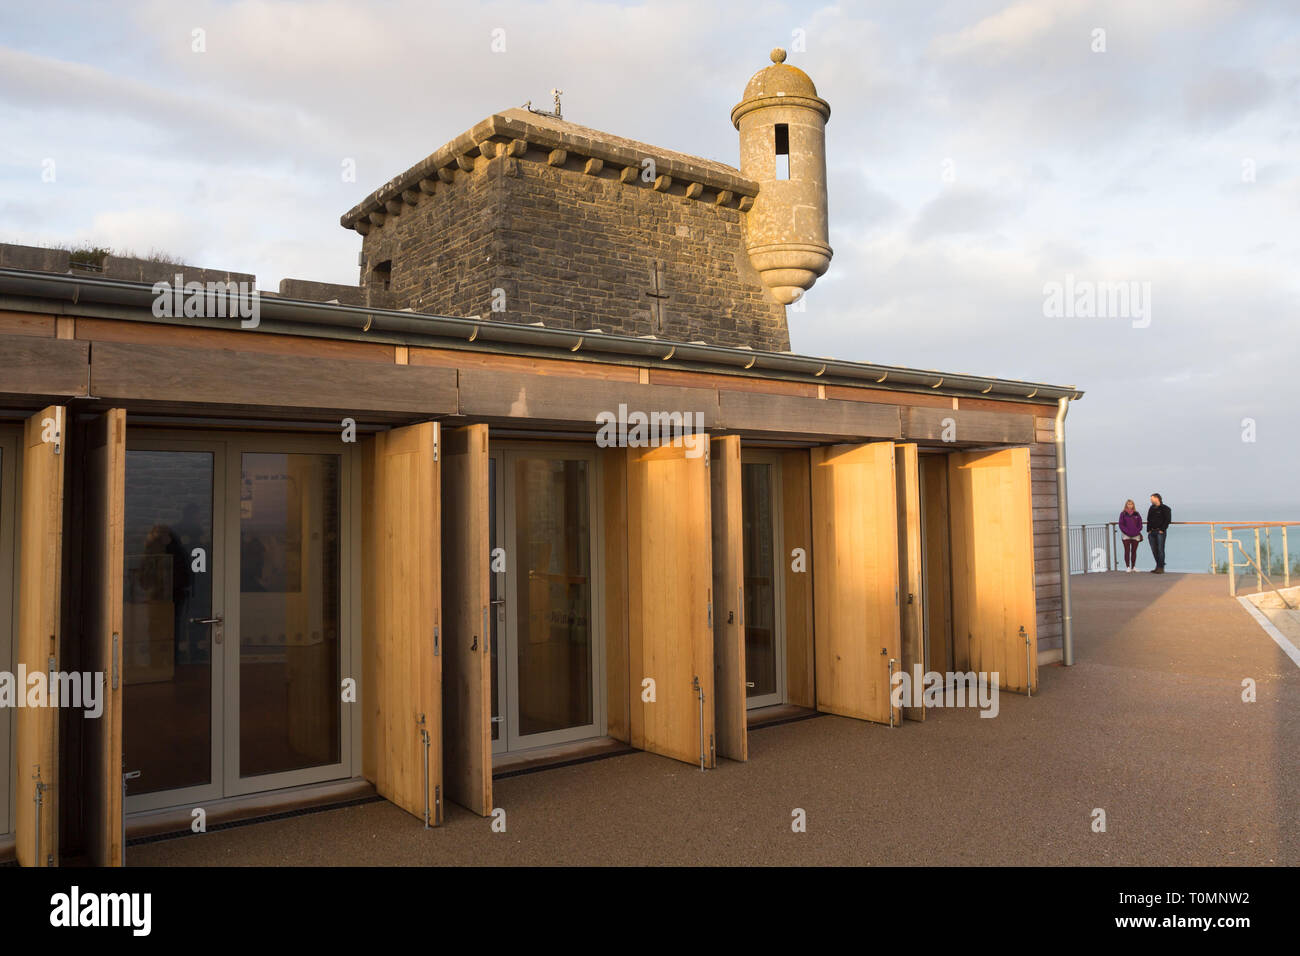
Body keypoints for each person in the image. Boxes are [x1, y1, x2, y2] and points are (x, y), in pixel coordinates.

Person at [1146, 493, 1172, 573]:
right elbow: (1148, 519)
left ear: (1157, 498)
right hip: (1152, 532)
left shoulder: (1165, 508)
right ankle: (1158, 566)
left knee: (1160, 549)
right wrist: (1148, 530)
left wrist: (1162, 529)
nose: (1151, 500)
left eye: (1152, 498)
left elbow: (1167, 520)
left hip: (1160, 532)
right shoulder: (1151, 508)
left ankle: (1161, 567)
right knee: (1154, 550)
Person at [1118, 500, 1143, 572]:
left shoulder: (1136, 514)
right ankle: (1128, 567)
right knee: (1127, 550)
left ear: (1133, 505)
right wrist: (1127, 531)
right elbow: (1121, 524)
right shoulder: (1123, 514)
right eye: (1128, 504)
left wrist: (1137, 531)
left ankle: (1134, 566)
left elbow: (1140, 524)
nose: (1130, 505)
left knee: (1134, 551)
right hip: (1126, 535)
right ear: (1126, 505)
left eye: (1131, 504)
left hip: (1136, 535)